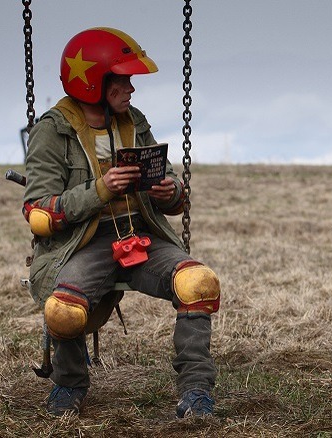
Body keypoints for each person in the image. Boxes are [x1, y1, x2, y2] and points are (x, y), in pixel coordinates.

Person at [23, 27, 221, 418]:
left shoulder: (133, 120)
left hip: (138, 234)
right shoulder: (53, 130)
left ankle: (197, 392)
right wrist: (100, 189)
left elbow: (171, 187)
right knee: (63, 310)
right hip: (85, 243)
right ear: (94, 82)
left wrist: (170, 192)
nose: (131, 89)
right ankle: (68, 385)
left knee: (198, 283)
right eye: (122, 80)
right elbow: (39, 213)